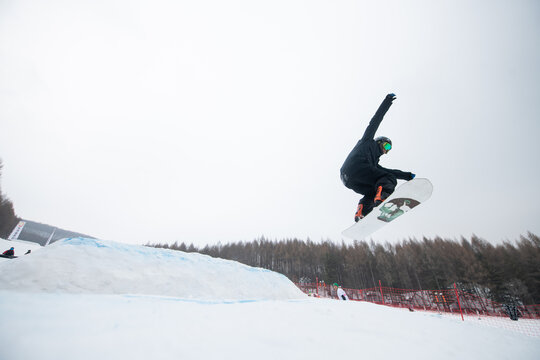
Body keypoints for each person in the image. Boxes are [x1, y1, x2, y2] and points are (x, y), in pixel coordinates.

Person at [340, 93, 415, 222]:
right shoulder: (368, 141)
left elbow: (390, 171)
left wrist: (407, 176)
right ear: (379, 141)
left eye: (388, 149)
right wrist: (387, 102)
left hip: (348, 179)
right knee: (388, 179)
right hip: (356, 166)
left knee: (373, 190)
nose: (386, 150)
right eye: (386, 145)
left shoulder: (374, 163)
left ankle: (361, 212)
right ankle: (382, 198)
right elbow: (375, 121)